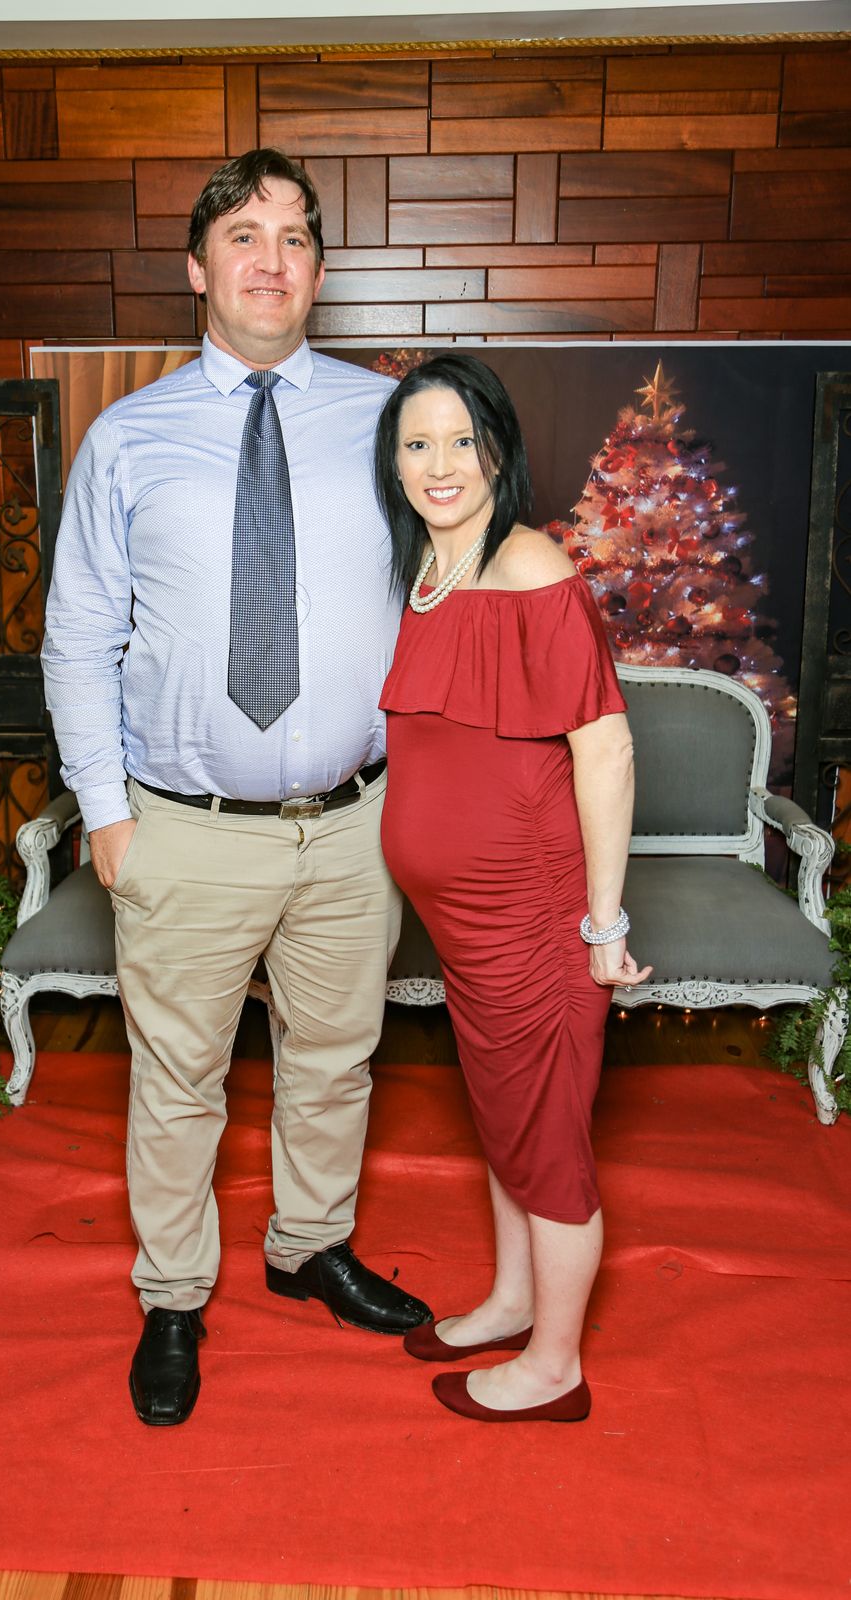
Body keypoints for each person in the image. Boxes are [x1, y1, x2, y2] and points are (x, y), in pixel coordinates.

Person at [41, 148, 431, 1429]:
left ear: (319, 270)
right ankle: (172, 1295)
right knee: (177, 1079)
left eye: (296, 236)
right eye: (245, 236)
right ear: (197, 267)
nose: (273, 259)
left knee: (335, 1058)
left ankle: (308, 1244)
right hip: (183, 831)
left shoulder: (391, 419)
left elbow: (451, 590)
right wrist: (104, 815)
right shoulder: (127, 437)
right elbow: (78, 636)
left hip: (355, 824)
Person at [375, 352, 651, 1423]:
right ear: (393, 461)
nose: (439, 463)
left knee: (545, 1135)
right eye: (416, 443)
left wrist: (600, 924)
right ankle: (511, 1298)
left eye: (461, 440)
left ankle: (554, 1364)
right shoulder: (426, 571)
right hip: (464, 925)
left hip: (534, 917)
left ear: (498, 450)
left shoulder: (529, 563)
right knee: (505, 1118)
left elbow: (604, 747)